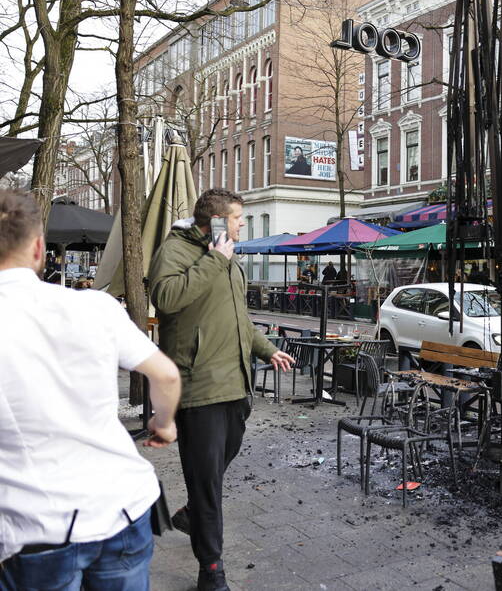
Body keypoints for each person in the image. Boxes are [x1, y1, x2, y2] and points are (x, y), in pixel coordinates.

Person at [0, 190, 181, 589]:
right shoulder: (95, 307)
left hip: (36, 527)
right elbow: (167, 376)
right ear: (38, 248)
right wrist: (164, 423)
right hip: (122, 506)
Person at [148, 188, 295, 591]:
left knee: (213, 469)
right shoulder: (176, 251)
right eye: (237, 218)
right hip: (199, 384)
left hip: (236, 382)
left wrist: (267, 349)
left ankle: (192, 514)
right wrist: (213, 260)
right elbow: (165, 298)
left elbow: (238, 317)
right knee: (208, 482)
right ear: (215, 221)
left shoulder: (228, 255)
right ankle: (211, 569)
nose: (242, 224)